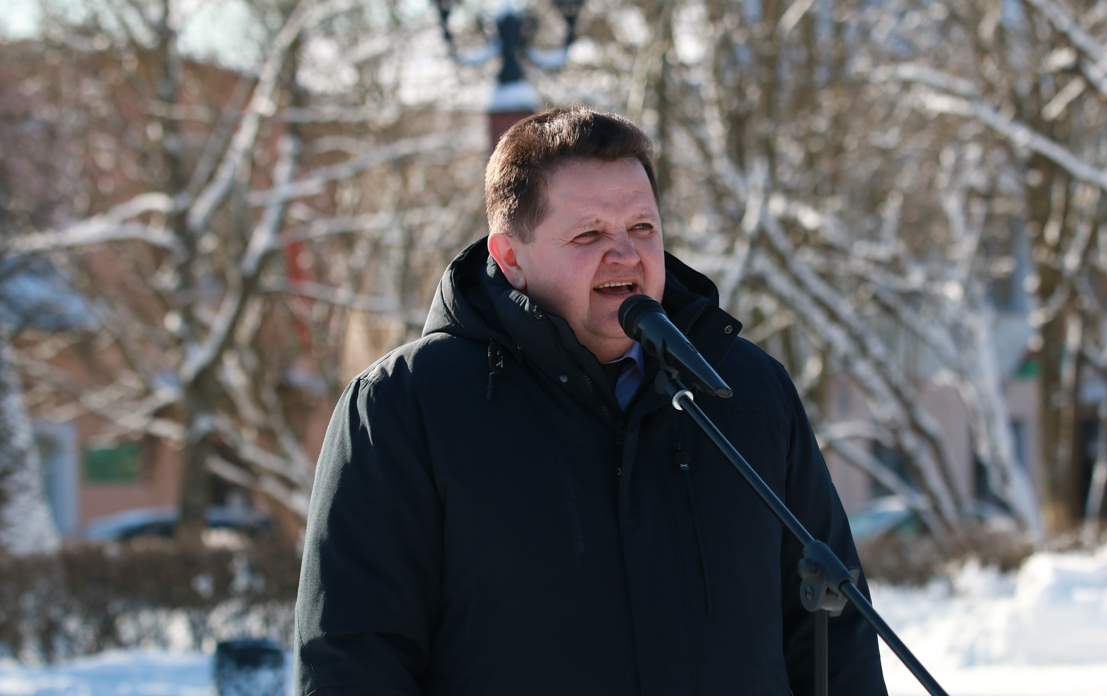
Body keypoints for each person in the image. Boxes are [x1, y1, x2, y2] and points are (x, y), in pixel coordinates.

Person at [294, 107, 887, 695]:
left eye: (642, 228)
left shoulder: (746, 393)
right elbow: (355, 658)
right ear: (511, 258)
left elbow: (835, 637)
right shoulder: (404, 407)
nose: (625, 255)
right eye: (589, 234)